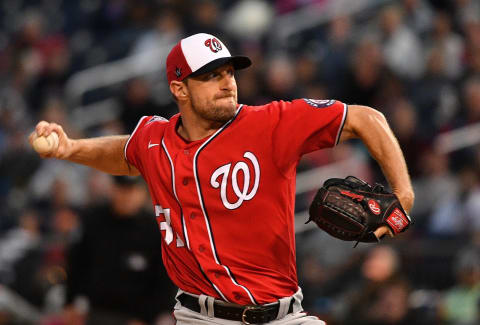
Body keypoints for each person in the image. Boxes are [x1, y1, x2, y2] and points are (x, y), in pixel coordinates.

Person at [29, 33, 414, 324]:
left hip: (281, 316)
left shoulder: (271, 123)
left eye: (229, 72)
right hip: (198, 317)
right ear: (179, 88)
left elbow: (367, 118)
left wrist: (404, 194)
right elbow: (128, 154)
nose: (227, 82)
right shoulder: (154, 139)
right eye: (211, 76)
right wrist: (70, 149)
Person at [63, 175, 175, 325]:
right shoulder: (93, 220)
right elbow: (76, 263)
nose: (126, 197)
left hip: (135, 317)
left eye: (132, 191)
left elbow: (166, 281)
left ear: (143, 193)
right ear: (112, 189)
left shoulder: (156, 231)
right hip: (93, 312)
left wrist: (147, 317)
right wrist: (70, 301)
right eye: (122, 190)